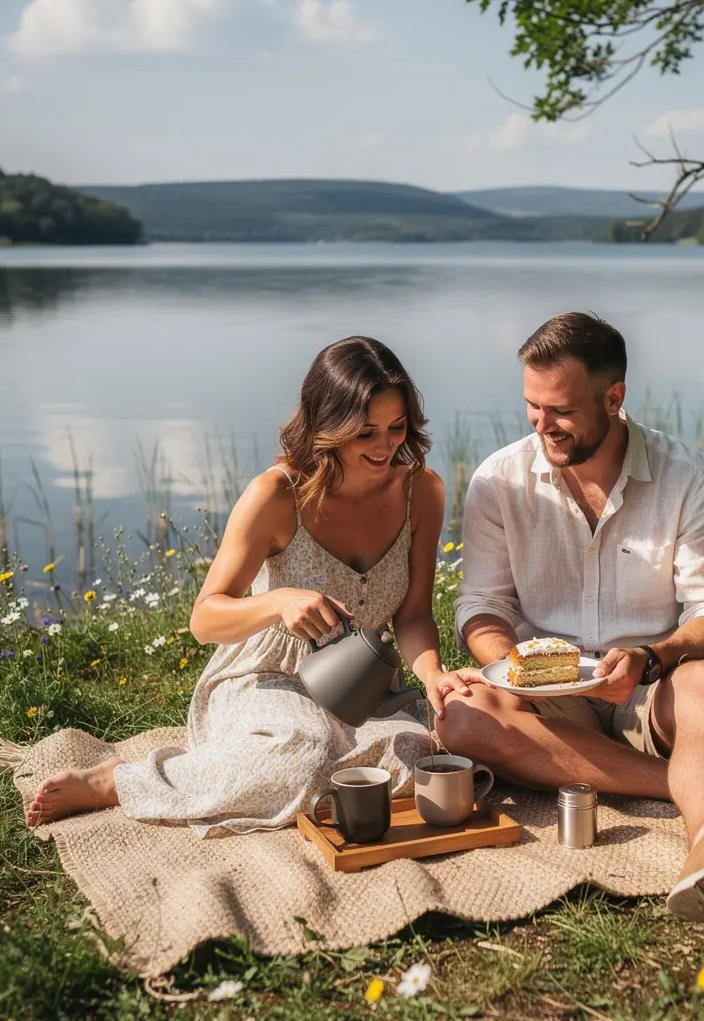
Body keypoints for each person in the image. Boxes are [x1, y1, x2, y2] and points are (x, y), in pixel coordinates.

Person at [440, 312, 704, 922]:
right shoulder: (498, 480)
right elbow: (481, 605)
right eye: (532, 407)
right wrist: (509, 663)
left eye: (562, 411)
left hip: (649, 686)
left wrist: (653, 657)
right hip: (547, 694)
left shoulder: (690, 478)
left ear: (615, 397)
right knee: (460, 721)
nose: (542, 425)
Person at [26, 337, 482, 836]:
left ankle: (253, 769)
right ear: (328, 424)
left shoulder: (422, 492)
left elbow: (413, 615)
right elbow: (204, 619)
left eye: (396, 427)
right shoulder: (277, 493)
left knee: (419, 754)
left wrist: (434, 674)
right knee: (300, 752)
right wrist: (277, 601)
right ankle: (120, 781)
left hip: (362, 687)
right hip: (265, 676)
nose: (385, 445)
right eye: (364, 431)